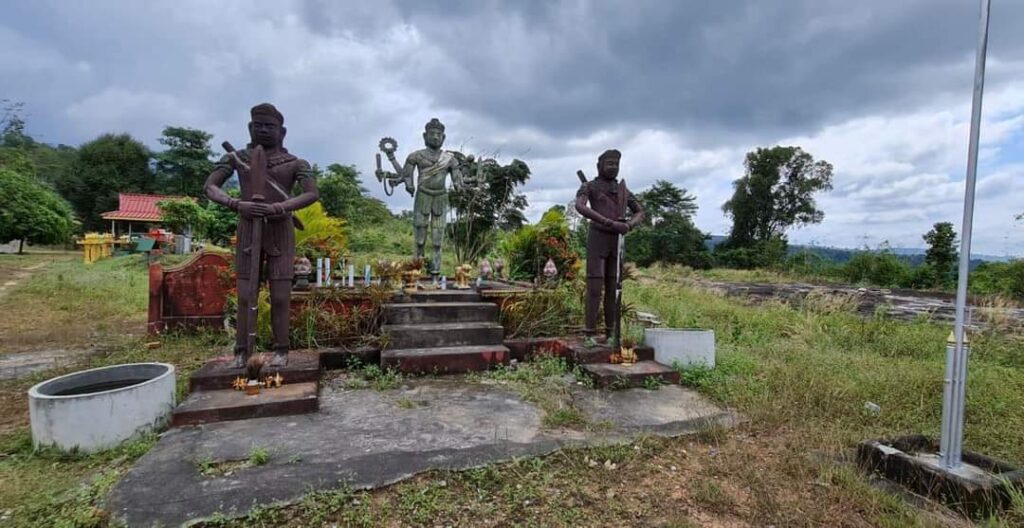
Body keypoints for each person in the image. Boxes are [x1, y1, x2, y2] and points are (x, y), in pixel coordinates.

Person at [204, 103, 319, 367]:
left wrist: (280, 207)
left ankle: (281, 349)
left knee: (280, 295)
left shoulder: (295, 163)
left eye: (270, 126)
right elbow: (210, 186)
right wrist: (236, 204)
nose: (264, 130)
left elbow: (311, 193)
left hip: (280, 230)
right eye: (259, 126)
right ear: (250, 128)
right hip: (248, 227)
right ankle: (242, 351)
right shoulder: (236, 158)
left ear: (282, 132)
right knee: (246, 294)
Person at [574, 149, 645, 338]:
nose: (613, 167)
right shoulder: (590, 186)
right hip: (598, 239)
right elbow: (580, 206)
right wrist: (608, 222)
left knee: (613, 288)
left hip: (617, 242)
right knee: (595, 288)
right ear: (599, 166)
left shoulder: (622, 190)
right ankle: (589, 332)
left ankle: (611, 332)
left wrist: (628, 225)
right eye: (609, 163)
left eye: (616, 164)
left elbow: (640, 212)